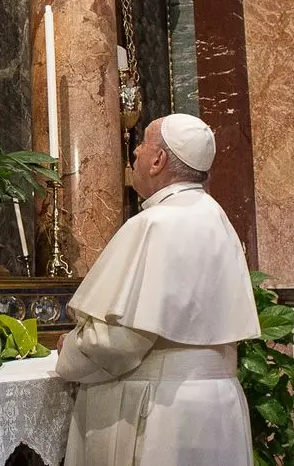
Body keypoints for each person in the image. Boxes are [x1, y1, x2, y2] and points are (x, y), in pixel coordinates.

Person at [54, 113, 260, 466]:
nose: (134, 152)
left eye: (142, 145)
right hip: (219, 405)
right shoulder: (216, 217)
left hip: (166, 411)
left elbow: (116, 343)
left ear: (158, 160)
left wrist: (70, 349)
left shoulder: (155, 223)